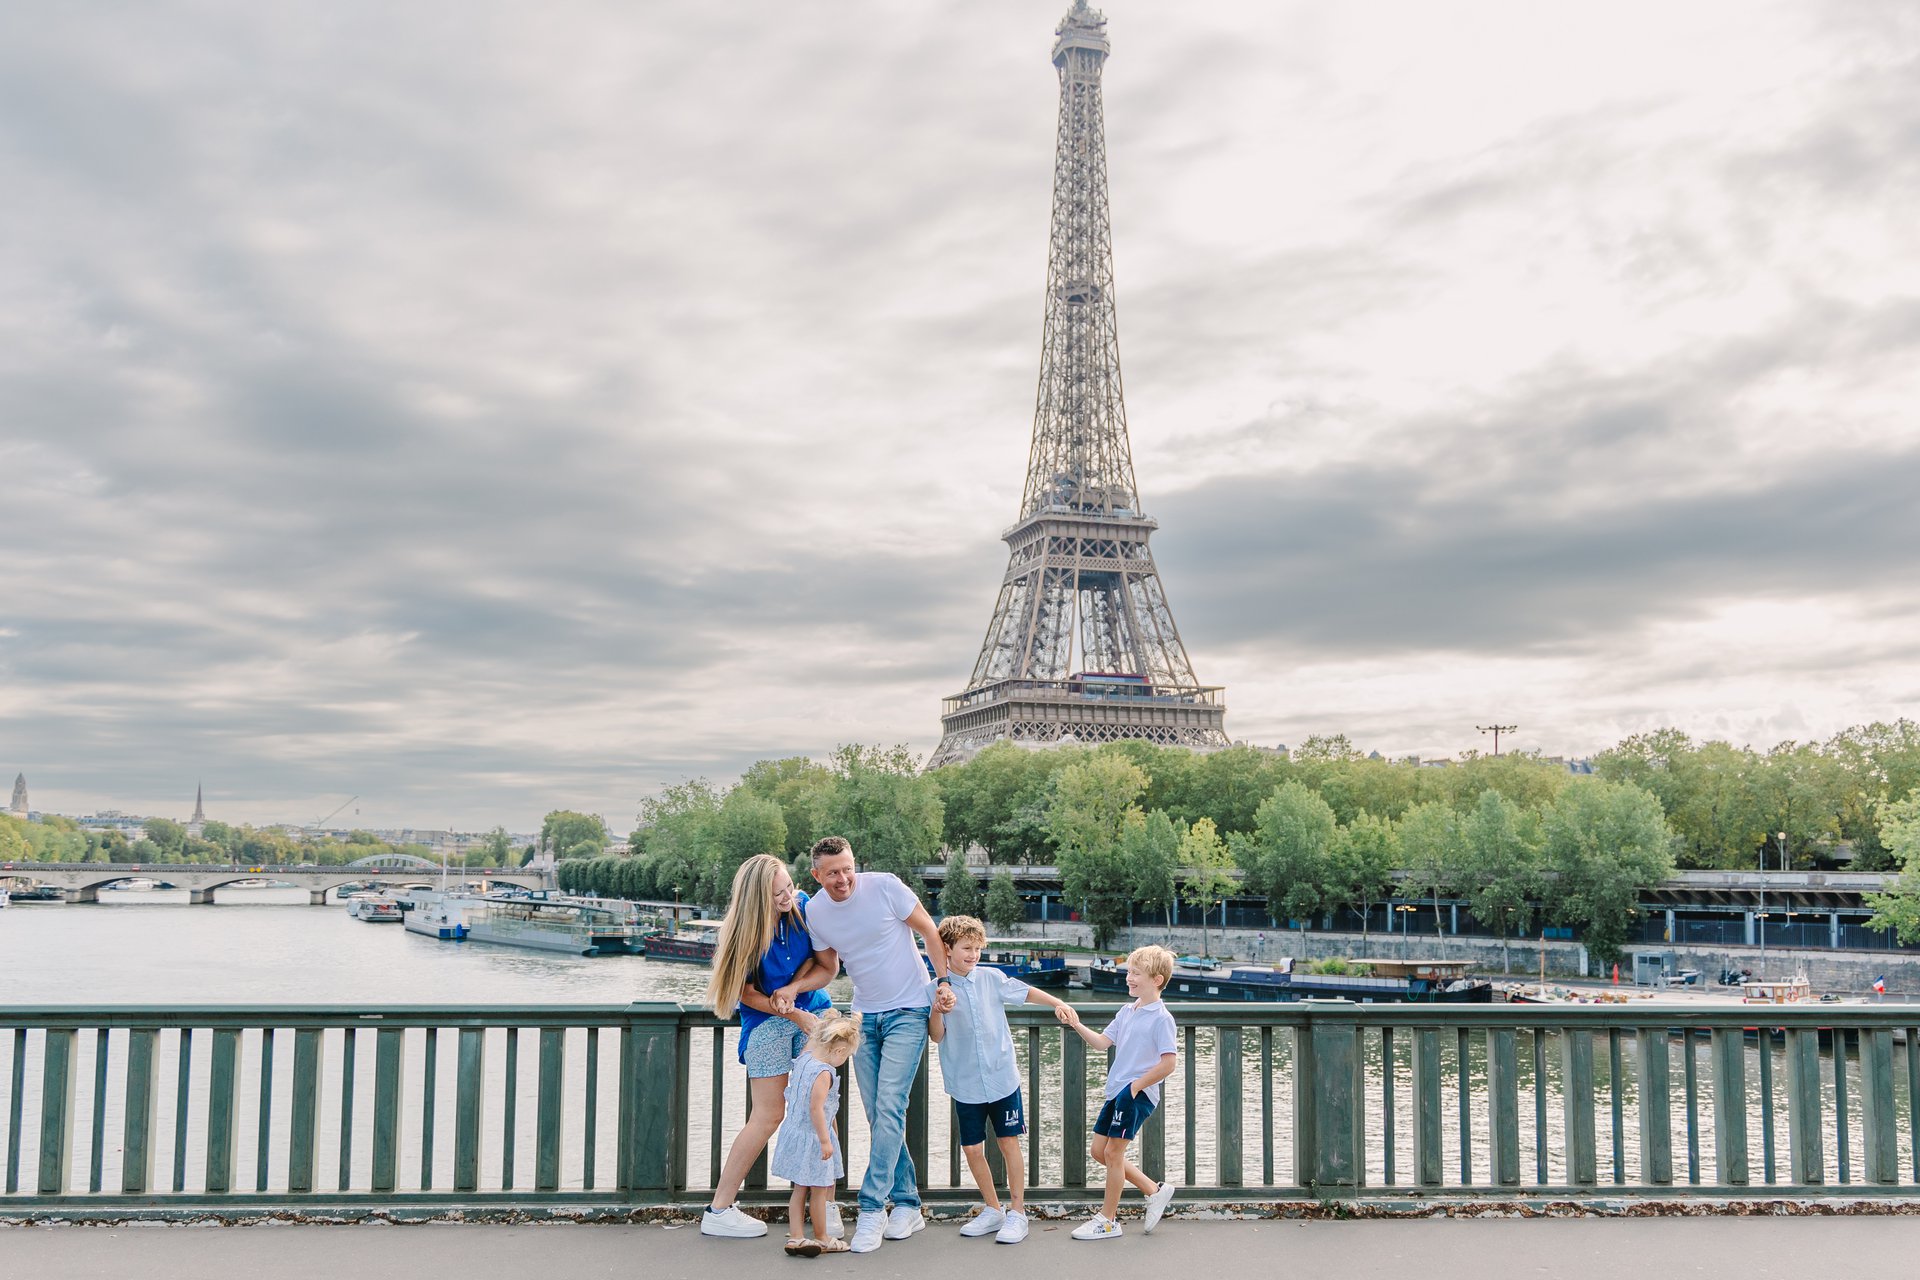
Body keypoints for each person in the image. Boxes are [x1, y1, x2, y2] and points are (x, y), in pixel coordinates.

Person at [785, 835, 956, 1255]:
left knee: (890, 1106)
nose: (843, 879)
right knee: (878, 1114)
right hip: (864, 1017)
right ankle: (908, 1204)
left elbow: (930, 931)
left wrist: (943, 981)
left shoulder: (885, 886)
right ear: (816, 875)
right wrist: (793, 988)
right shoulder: (816, 911)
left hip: (909, 1009)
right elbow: (828, 968)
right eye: (833, 873)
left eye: (848, 868)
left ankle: (872, 1208)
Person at [700, 853, 838, 1240]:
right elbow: (743, 994)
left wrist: (794, 990)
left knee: (823, 1107)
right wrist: (792, 1014)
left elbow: (827, 968)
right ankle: (719, 1210)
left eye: (790, 887)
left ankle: (825, 1206)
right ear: (758, 899)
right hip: (765, 1020)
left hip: (813, 1012)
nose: (788, 897)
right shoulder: (741, 934)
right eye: (779, 894)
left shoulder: (806, 909)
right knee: (768, 1114)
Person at [926, 914, 1078, 1245]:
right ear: (947, 949)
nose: (973, 955)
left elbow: (1026, 992)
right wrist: (937, 1009)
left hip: (1001, 1077)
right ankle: (993, 1209)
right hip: (965, 1082)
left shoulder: (991, 977)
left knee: (1009, 1142)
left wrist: (1058, 1002)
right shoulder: (934, 989)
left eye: (977, 948)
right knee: (972, 1148)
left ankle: (1018, 1213)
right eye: (966, 948)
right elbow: (936, 1036)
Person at [1064, 943, 1179, 1240]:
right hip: (1118, 1091)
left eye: (1136, 973)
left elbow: (1169, 1063)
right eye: (1129, 972)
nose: (1129, 978)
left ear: (1156, 980)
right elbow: (1102, 1043)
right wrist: (1076, 1024)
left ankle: (1108, 1220)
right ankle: (1153, 1190)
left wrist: (1136, 1087)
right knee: (1099, 1152)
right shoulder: (1128, 1010)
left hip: (1136, 1094)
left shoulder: (1162, 1018)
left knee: (1113, 1153)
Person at [770, 1012, 860, 1257]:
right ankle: (822, 1238)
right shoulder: (824, 1072)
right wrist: (825, 1140)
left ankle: (796, 1237)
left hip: (795, 1132)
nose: (844, 1060)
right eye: (846, 1056)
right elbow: (816, 1108)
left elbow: (815, 1038)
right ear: (839, 1051)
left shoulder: (804, 1058)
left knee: (799, 1189)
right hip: (814, 1138)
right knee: (820, 1190)